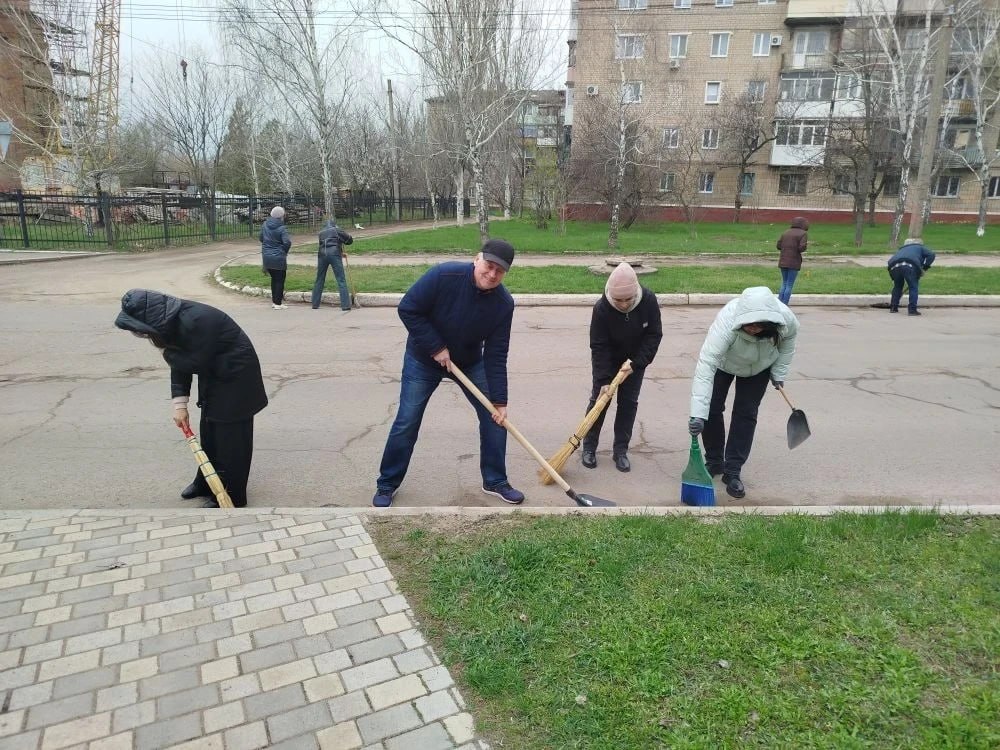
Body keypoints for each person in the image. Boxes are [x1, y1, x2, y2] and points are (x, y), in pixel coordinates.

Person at [372, 239, 524, 508]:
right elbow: (408, 308)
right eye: (488, 266)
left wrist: (500, 401)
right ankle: (387, 483)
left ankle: (495, 480)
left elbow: (497, 354)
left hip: (469, 362)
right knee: (407, 420)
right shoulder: (443, 275)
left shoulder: (503, 304)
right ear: (477, 259)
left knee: (495, 419)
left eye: (499, 271)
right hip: (423, 359)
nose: (491, 275)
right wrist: (436, 347)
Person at [114, 289, 268, 508]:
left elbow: (193, 362)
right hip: (216, 375)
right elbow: (181, 364)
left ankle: (233, 494)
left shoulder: (198, 320)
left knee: (231, 441)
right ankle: (206, 482)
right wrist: (179, 405)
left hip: (237, 377)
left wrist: (167, 353)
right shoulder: (170, 320)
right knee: (210, 433)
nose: (142, 335)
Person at [687, 286, 798, 500]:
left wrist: (779, 372)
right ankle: (714, 461)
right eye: (749, 324)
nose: (753, 329)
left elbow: (788, 345)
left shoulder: (786, 319)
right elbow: (706, 365)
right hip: (724, 364)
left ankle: (733, 471)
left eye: (759, 325)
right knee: (711, 409)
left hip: (759, 368)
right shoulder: (728, 321)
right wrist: (698, 414)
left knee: (746, 414)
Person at [581, 262, 662, 473]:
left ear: (635, 292)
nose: (624, 304)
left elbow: (654, 336)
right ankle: (589, 447)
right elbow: (598, 346)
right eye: (619, 300)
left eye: (628, 299)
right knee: (599, 402)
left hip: (635, 363)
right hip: (608, 361)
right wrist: (604, 380)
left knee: (628, 404)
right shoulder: (602, 308)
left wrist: (636, 363)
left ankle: (621, 451)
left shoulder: (648, 301)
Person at [312, 218, 354, 311]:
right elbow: (349, 240)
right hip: (334, 255)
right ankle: (345, 305)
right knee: (341, 279)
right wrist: (342, 231)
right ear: (334, 224)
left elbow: (325, 245)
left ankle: (315, 304)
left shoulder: (321, 233)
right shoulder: (336, 230)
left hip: (322, 255)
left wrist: (341, 252)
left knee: (319, 279)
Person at [887, 237, 936, 316]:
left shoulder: (901, 250)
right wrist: (925, 268)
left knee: (898, 286)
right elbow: (931, 255)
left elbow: (890, 261)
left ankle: (893, 307)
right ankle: (912, 310)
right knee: (913, 287)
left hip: (893, 266)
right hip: (909, 265)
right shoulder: (920, 247)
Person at [260, 206, 292, 309]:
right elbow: (287, 242)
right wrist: (283, 251)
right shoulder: (282, 228)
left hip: (266, 257)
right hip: (278, 257)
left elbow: (261, 237)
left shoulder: (265, 225)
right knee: (279, 280)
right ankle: (278, 303)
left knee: (274, 279)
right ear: (281, 216)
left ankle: (275, 302)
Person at [776, 216, 809, 304]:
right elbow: (802, 248)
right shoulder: (803, 233)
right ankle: (785, 304)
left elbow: (778, 246)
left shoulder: (786, 232)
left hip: (783, 261)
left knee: (784, 283)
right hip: (794, 262)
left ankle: (780, 304)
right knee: (789, 284)